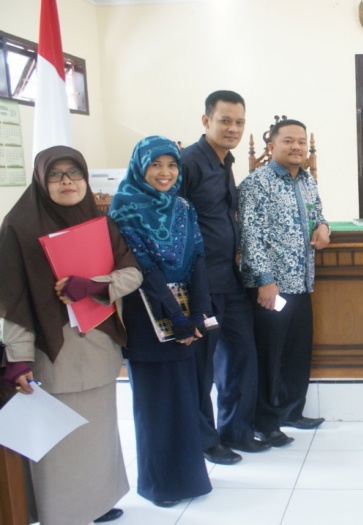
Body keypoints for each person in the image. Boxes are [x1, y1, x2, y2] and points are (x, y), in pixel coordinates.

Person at [0, 146, 142, 524]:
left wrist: (95, 285)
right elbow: (12, 300)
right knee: (59, 440)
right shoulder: (20, 227)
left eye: (75, 173)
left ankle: (97, 502)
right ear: (40, 179)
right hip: (52, 350)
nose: (67, 182)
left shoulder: (100, 224)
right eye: (56, 175)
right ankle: (62, 513)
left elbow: (133, 273)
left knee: (98, 432)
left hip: (97, 344)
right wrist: (18, 358)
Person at [110, 136, 213, 507]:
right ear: (140, 166)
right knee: (156, 403)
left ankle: (189, 479)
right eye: (156, 165)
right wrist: (177, 319)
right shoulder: (124, 206)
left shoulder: (183, 206)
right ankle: (160, 485)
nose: (165, 173)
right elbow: (144, 268)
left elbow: (198, 257)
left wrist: (198, 313)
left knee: (186, 398)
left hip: (185, 311)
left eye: (171, 165)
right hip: (145, 312)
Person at [180, 90, 274, 463]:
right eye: (225, 120)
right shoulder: (188, 162)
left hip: (229, 279)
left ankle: (235, 430)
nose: (233, 128)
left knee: (240, 356)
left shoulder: (224, 161)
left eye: (239, 122)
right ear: (206, 121)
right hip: (199, 284)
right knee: (202, 367)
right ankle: (205, 441)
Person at [239, 118, 330, 441]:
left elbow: (317, 213)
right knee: (269, 356)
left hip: (302, 282)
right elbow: (250, 236)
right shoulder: (257, 183)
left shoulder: (306, 180)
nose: (297, 147)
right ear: (271, 147)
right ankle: (265, 423)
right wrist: (265, 280)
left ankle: (292, 412)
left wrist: (324, 227)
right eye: (289, 141)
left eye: (302, 142)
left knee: (296, 352)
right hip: (271, 287)